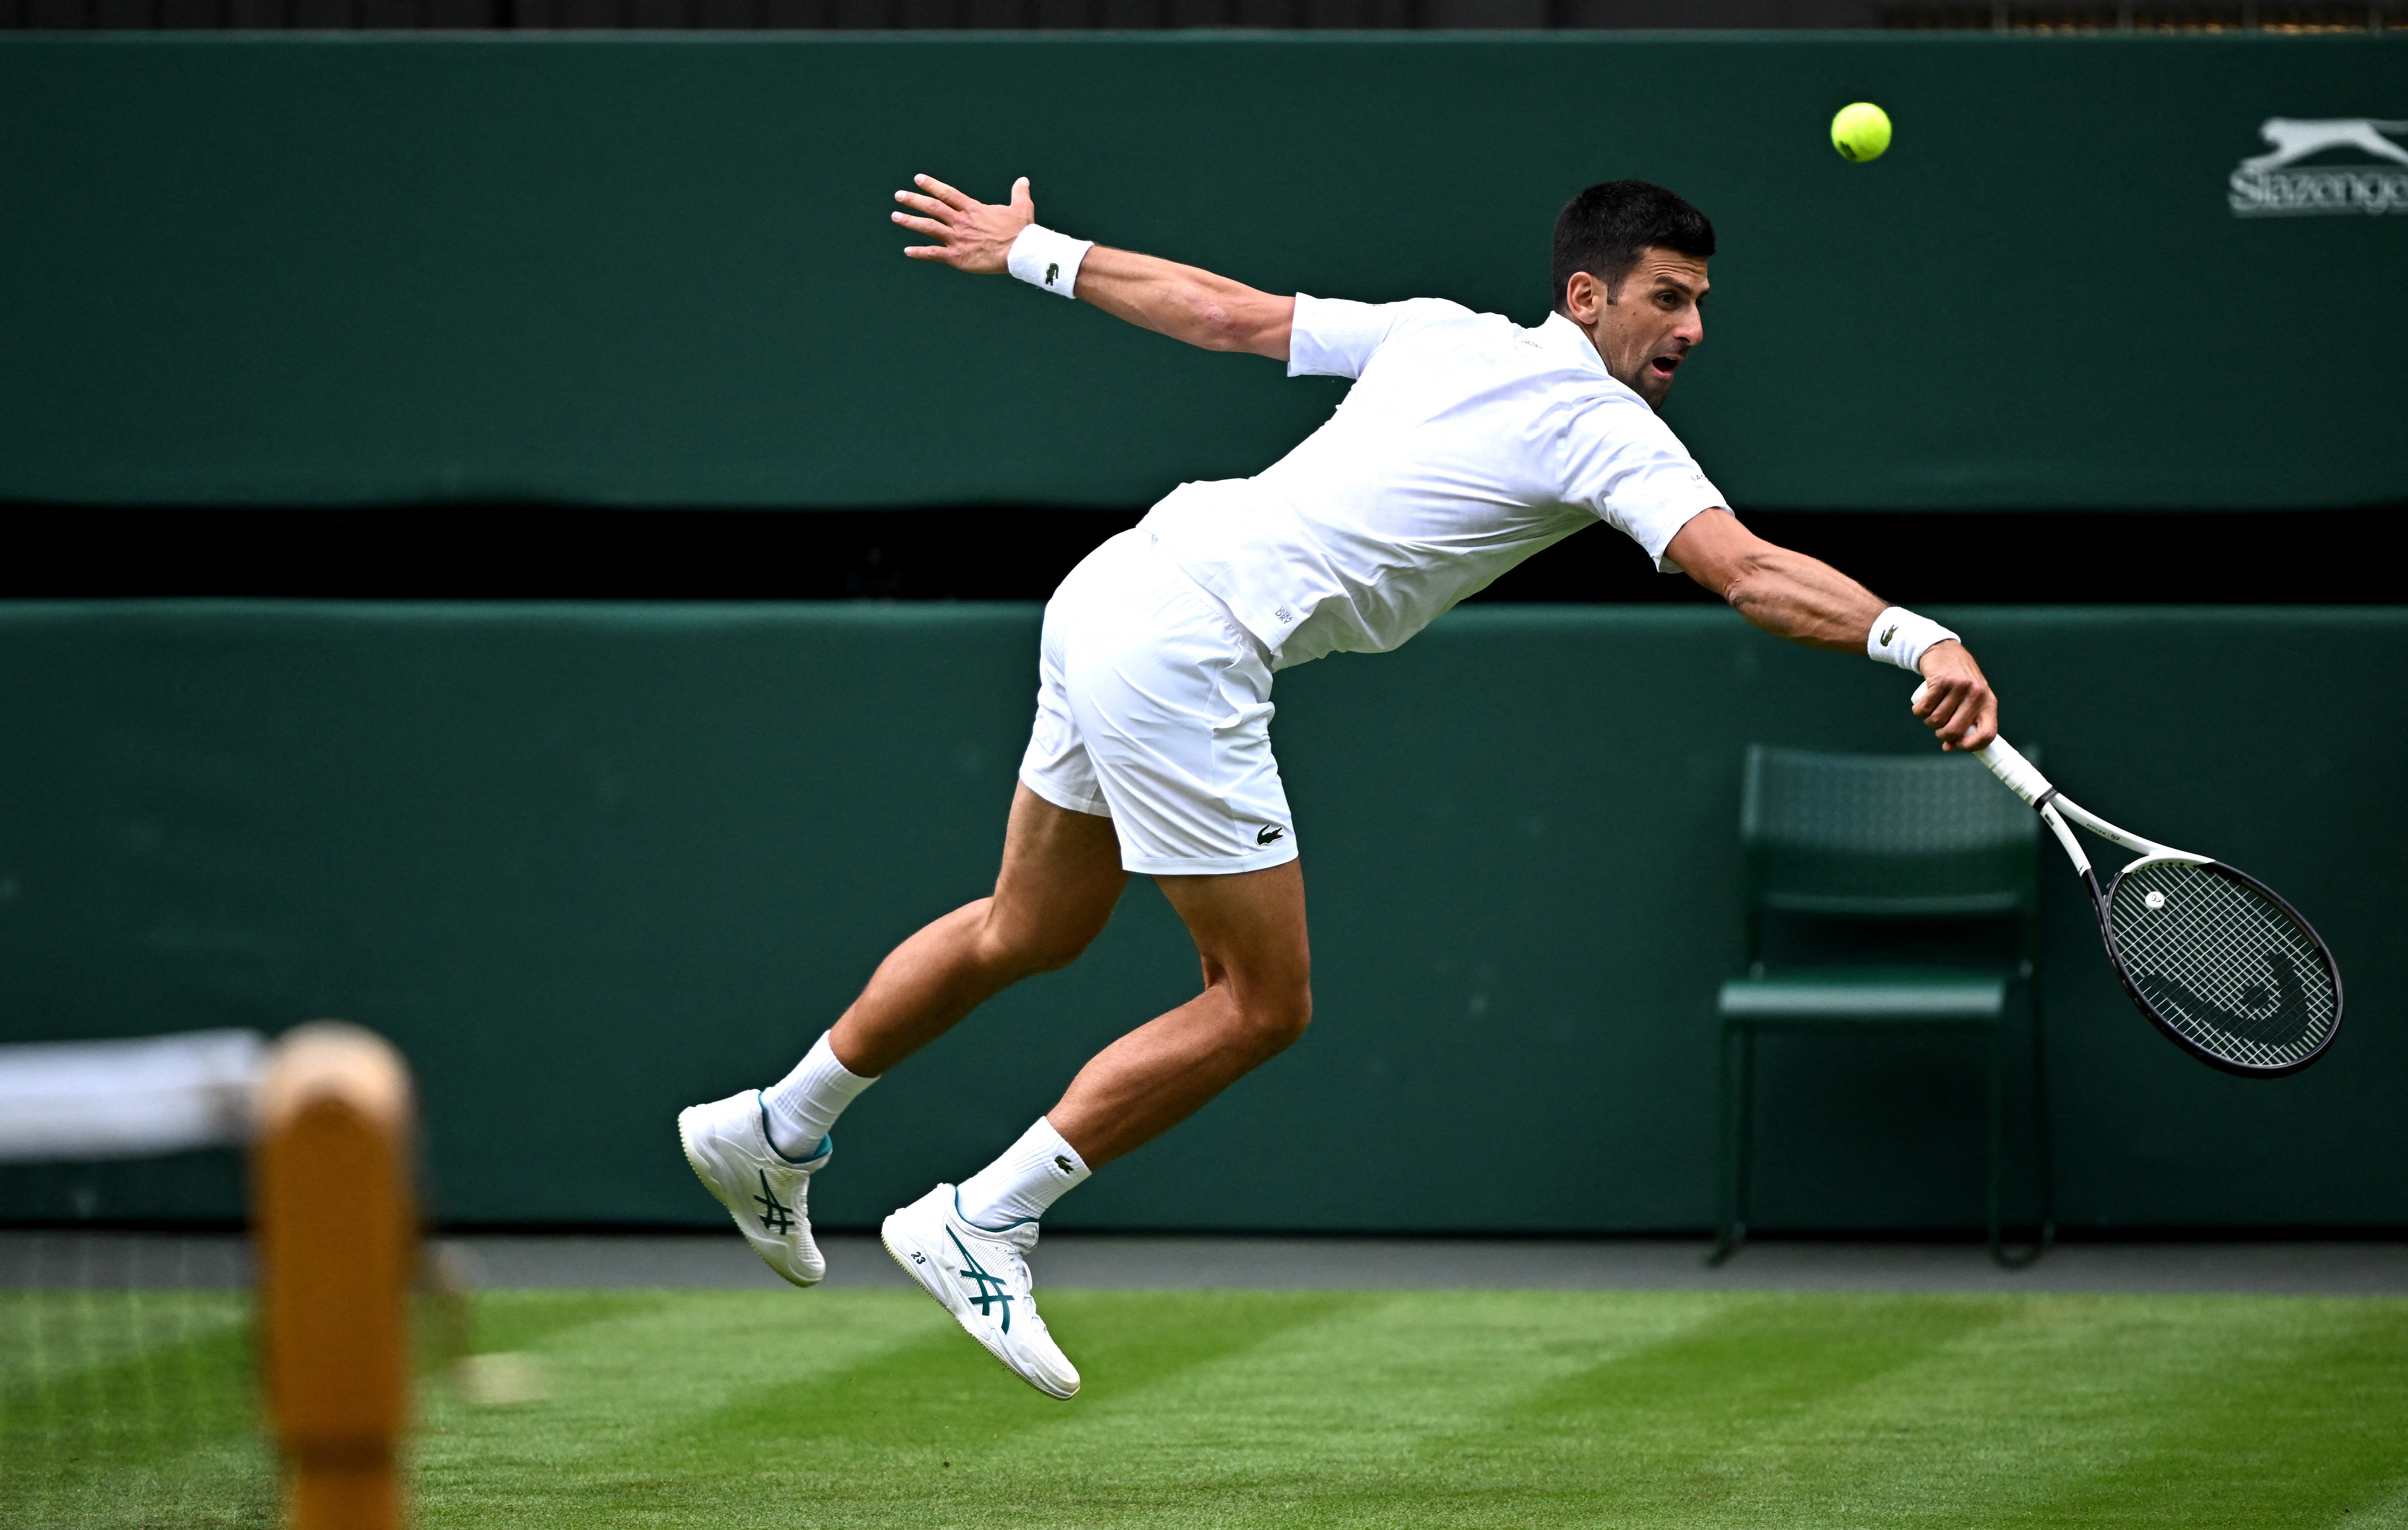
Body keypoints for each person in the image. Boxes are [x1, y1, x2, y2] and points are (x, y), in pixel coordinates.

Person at [677, 174, 2001, 1400]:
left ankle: (773, 1126)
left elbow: (1229, 315)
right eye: (1669, 294)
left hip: (1119, 580)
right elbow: (1749, 572)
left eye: (1705, 300)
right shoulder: (1604, 427)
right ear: (1587, 295)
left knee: (1032, 925)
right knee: (1262, 1002)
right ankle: (984, 1216)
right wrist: (1915, 636)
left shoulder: (1443, 331)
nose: (1694, 326)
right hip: (1194, 640)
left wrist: (1030, 250)